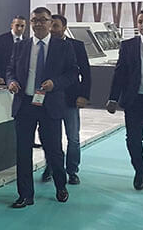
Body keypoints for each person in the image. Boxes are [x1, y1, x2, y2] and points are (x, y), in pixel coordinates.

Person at [6, 7, 78, 208]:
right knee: (23, 152)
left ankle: (60, 186)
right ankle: (25, 195)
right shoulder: (21, 46)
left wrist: (56, 83)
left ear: (50, 23)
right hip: (25, 104)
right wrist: (11, 82)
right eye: (34, 20)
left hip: (50, 105)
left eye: (43, 20)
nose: (38, 23)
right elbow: (10, 69)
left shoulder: (63, 47)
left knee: (54, 150)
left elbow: (73, 73)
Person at [106, 9, 143, 195]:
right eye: (140, 22)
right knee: (133, 140)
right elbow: (119, 74)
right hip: (135, 101)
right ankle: (139, 171)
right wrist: (113, 98)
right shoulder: (128, 46)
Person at [41, 14, 91, 185]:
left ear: (64, 27)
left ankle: (72, 170)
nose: (52, 29)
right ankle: (51, 167)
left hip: (71, 98)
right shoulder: (44, 46)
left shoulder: (76, 46)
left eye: (55, 26)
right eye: (50, 25)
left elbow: (85, 73)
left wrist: (84, 95)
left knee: (73, 137)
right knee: (50, 137)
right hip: (49, 99)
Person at [0, 16, 27, 85]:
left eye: (22, 26)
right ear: (12, 25)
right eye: (17, 25)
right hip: (2, 79)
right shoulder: (1, 39)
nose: (19, 28)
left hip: (20, 82)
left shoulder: (26, 42)